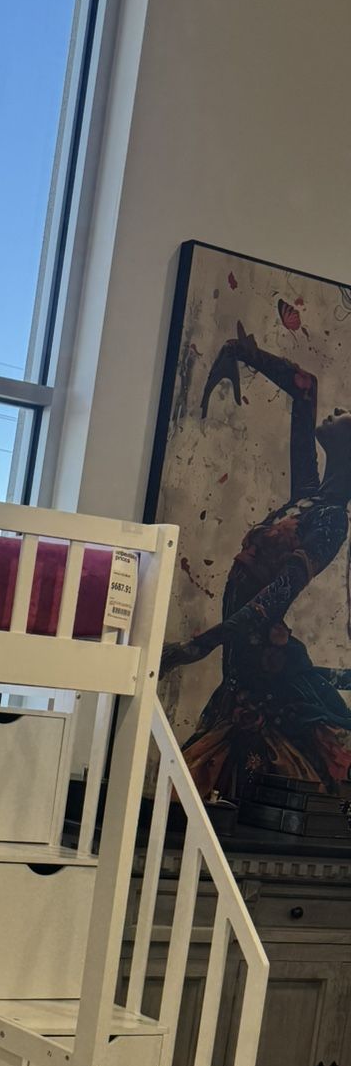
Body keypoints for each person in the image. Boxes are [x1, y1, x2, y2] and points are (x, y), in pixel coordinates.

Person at [162, 323, 351, 798]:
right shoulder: (308, 496)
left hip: (261, 662)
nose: (339, 409)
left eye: (347, 415)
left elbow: (272, 601)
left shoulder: (330, 522)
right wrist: (247, 355)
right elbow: (304, 388)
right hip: (247, 655)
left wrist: (199, 645)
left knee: (233, 778)